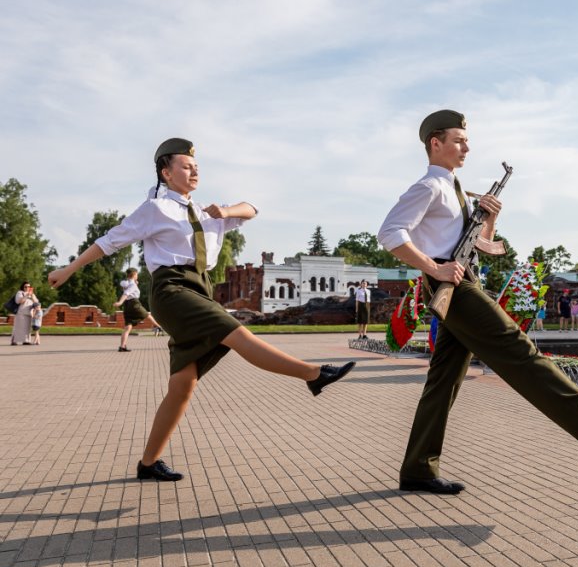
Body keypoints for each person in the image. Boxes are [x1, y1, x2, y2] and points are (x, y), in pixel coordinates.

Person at [378, 109, 578, 495]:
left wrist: (488, 219)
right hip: (452, 283)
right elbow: (390, 233)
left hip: (460, 277)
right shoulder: (429, 186)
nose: (466, 147)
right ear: (435, 143)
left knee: (443, 381)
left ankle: (419, 468)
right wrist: (433, 269)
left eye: (466, 141)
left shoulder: (453, 188)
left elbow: (482, 246)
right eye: (459, 140)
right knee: (515, 346)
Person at [48, 138, 355, 483]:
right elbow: (108, 242)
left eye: (196, 167)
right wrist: (68, 269)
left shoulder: (209, 212)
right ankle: (313, 375)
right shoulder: (155, 209)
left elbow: (251, 209)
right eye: (185, 166)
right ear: (166, 173)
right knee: (236, 333)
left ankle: (148, 463)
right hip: (172, 289)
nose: (194, 171)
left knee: (183, 384)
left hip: (200, 287)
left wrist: (226, 212)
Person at [113, 268, 155, 352]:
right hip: (134, 304)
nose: (137, 276)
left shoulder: (126, 283)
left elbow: (125, 287)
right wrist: (120, 302)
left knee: (128, 327)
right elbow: (126, 294)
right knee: (147, 315)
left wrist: (135, 284)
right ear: (134, 274)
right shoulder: (132, 285)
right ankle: (159, 326)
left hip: (127, 306)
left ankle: (122, 346)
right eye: (137, 274)